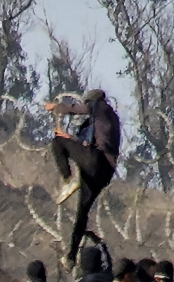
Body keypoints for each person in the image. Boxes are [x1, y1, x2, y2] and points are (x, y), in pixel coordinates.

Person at [45, 87, 121, 265]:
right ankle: (70, 256)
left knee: (57, 141)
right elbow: (87, 144)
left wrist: (55, 107)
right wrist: (71, 139)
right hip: (106, 172)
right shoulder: (109, 119)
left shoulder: (99, 107)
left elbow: (75, 109)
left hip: (97, 161)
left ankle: (67, 180)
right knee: (82, 213)